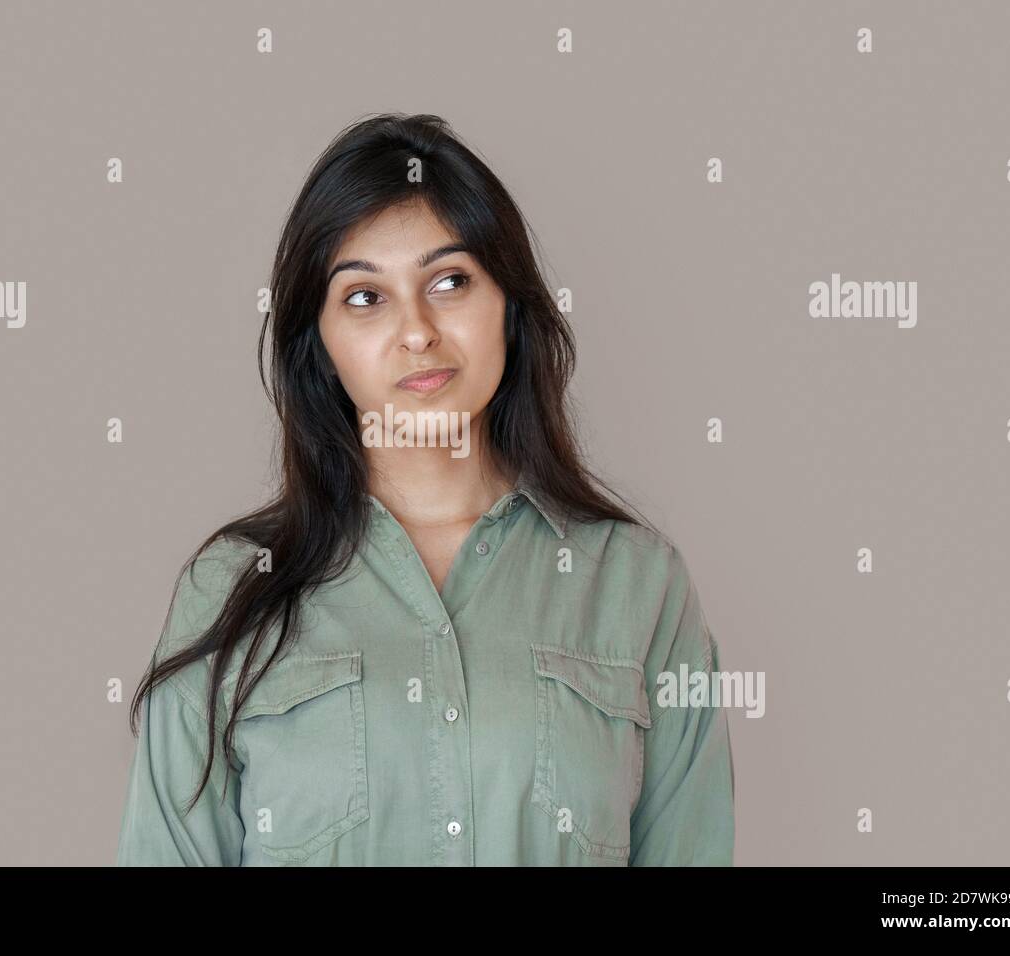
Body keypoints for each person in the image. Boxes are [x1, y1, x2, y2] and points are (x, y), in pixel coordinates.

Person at [115, 112, 735, 866]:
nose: (417, 331)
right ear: (321, 345)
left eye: (450, 281)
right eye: (365, 297)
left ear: (510, 304)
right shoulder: (230, 589)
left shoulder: (639, 586)